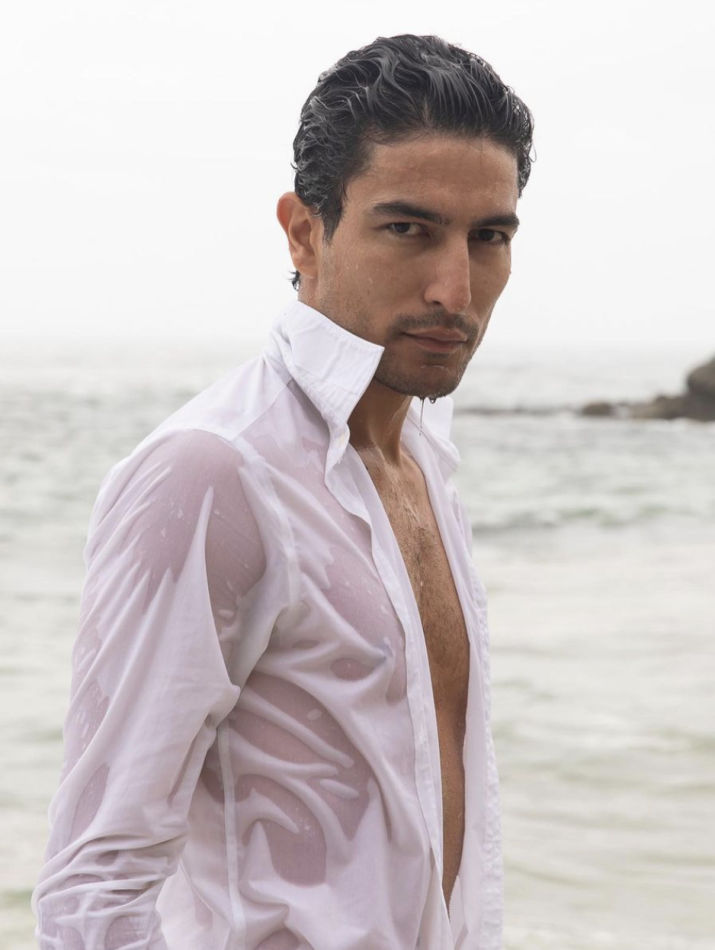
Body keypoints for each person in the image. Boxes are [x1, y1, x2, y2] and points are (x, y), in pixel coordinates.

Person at [33, 33, 533, 950]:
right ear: (305, 232)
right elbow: (94, 882)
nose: (454, 289)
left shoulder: (424, 463)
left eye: (488, 237)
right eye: (407, 229)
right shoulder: (214, 471)